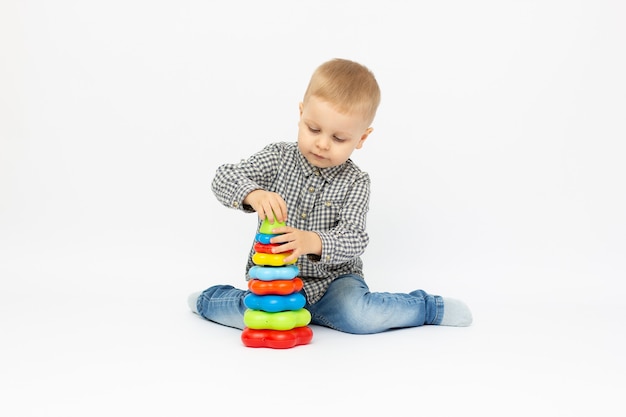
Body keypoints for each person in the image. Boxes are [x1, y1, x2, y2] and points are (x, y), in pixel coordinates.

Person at [188, 58, 472, 334]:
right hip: (277, 285)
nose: (322, 144)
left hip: (334, 286)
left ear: (361, 138)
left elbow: (355, 237)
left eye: (339, 138)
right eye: (313, 129)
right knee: (251, 316)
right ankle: (209, 299)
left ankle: (429, 308)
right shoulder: (278, 157)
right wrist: (254, 193)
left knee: (361, 316)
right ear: (301, 115)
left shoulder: (356, 181)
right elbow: (223, 176)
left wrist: (313, 241)